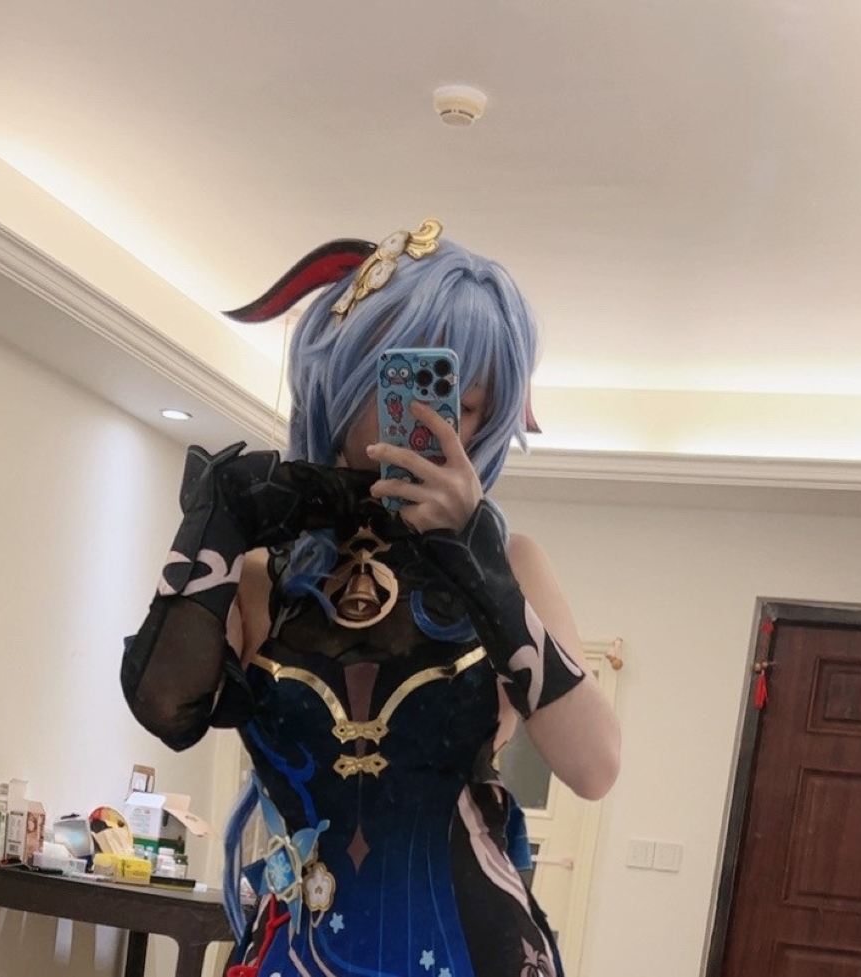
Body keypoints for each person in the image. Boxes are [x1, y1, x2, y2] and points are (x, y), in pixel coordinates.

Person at [121, 219, 621, 977]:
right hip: (299, 952)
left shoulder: (513, 563)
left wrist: (478, 563)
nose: (429, 423)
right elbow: (167, 707)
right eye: (401, 387)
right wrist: (215, 521)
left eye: (465, 406)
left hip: (474, 952)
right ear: (345, 371)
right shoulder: (260, 573)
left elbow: (594, 767)